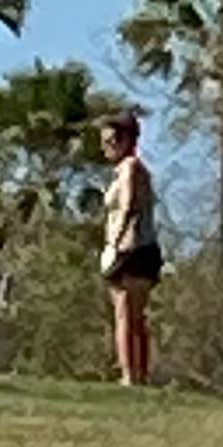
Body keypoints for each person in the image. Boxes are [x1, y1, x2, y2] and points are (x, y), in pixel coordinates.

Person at [99, 109, 162, 388]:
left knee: (124, 314)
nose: (107, 147)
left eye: (113, 141)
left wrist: (115, 243)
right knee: (136, 315)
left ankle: (129, 374)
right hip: (146, 247)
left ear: (127, 141)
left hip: (130, 249)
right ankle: (139, 373)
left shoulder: (129, 168)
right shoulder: (139, 170)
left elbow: (127, 205)